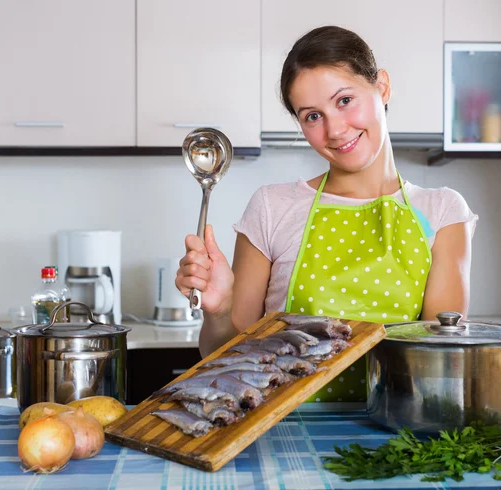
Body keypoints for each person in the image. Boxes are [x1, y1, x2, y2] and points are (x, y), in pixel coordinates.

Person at [176, 25, 478, 402]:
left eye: (345, 100)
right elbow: (227, 358)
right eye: (312, 116)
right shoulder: (272, 207)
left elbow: (441, 362)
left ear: (382, 87)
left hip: (392, 434)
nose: (335, 129)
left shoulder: (442, 211)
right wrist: (218, 311)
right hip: (281, 430)